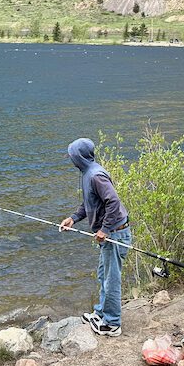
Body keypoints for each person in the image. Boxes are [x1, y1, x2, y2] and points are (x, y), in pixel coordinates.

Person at [59, 137, 131, 337]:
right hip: (109, 234)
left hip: (115, 234)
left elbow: (113, 202)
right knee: (103, 275)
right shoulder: (86, 173)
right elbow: (88, 203)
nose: (70, 160)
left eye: (72, 156)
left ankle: (113, 323)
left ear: (79, 157)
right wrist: (73, 219)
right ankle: (101, 312)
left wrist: (105, 229)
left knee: (111, 279)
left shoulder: (96, 175)